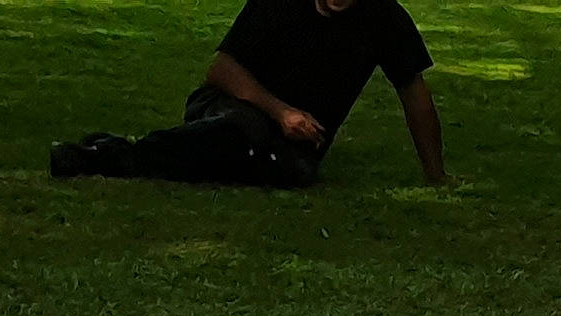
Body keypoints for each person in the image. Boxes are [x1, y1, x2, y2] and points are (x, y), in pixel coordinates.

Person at [49, 0, 447, 188]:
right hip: (233, 107)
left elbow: (413, 92)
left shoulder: (385, 19)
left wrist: (435, 175)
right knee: (242, 134)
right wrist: (281, 112)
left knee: (283, 168)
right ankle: (110, 156)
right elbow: (221, 70)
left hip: (292, 141)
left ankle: (121, 152)